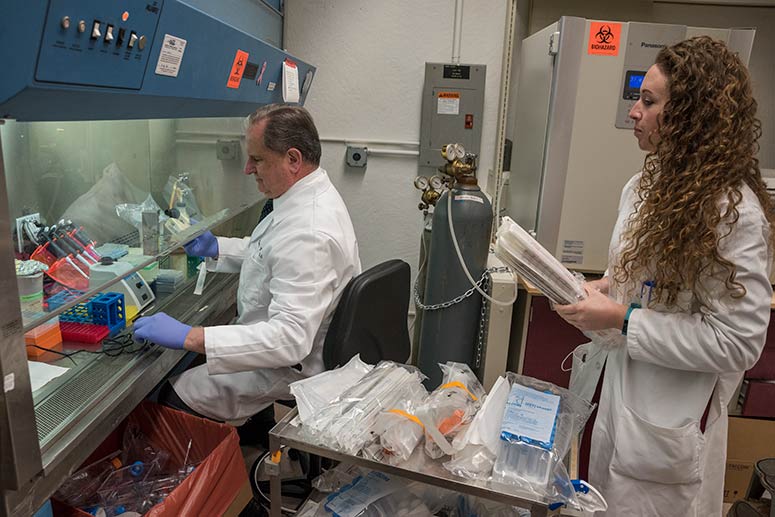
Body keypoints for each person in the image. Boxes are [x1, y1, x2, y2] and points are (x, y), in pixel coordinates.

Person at [555, 36, 774, 515]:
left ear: (691, 116)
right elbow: (638, 276)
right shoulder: (644, 187)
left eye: (649, 102)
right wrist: (602, 288)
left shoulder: (732, 214)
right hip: (621, 397)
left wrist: (623, 317)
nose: (634, 111)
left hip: (669, 420)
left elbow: (738, 341)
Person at [134, 104, 361, 423]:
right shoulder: (307, 196)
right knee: (200, 365)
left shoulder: (309, 231)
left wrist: (191, 336)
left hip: (287, 367)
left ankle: (208, 464)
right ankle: (248, 433)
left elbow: (288, 340)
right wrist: (216, 248)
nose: (247, 169)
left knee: (173, 396)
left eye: (257, 159)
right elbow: (275, 254)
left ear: (292, 160)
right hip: (286, 347)